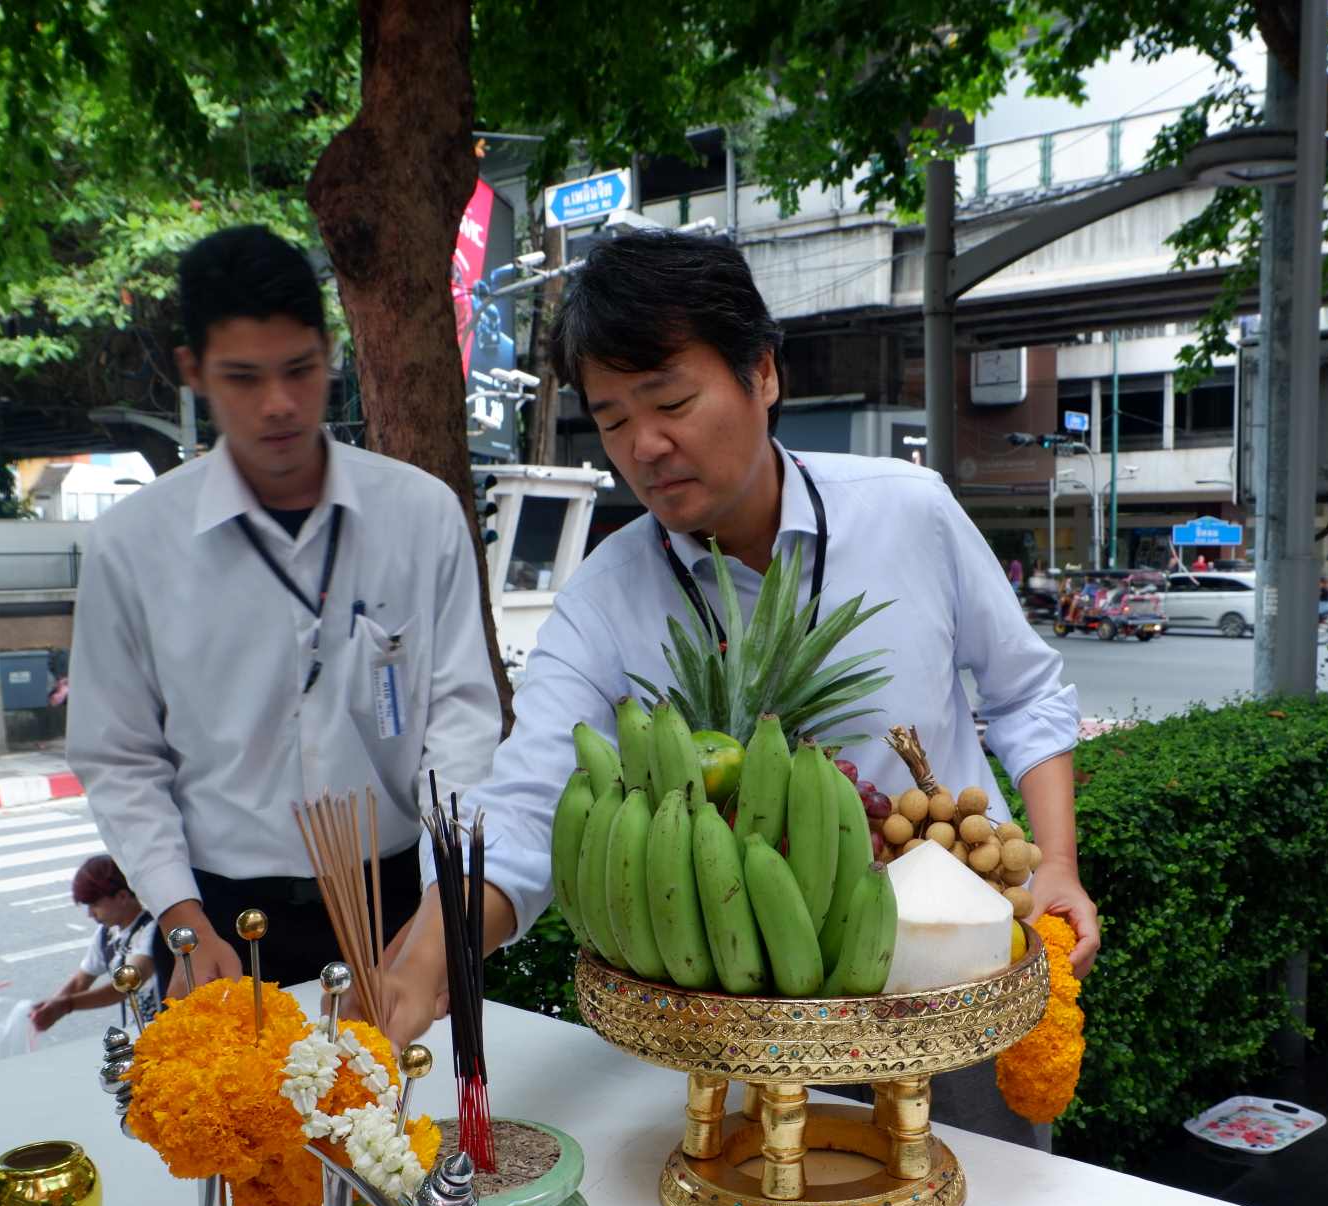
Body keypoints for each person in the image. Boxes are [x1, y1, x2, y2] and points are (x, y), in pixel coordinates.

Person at [376, 229, 1099, 1149]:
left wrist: (1058, 861)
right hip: (744, 1008)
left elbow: (1027, 693)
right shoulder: (606, 596)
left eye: (671, 400)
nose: (645, 445)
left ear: (762, 373)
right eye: (611, 419)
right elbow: (524, 810)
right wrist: (427, 953)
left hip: (954, 983)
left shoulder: (906, 511)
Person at [69, 225, 503, 998]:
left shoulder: (419, 514)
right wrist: (181, 921)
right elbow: (120, 756)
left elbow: (461, 718)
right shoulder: (132, 544)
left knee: (401, 1081)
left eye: (300, 370)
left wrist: (444, 909)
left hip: (394, 906)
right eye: (242, 377)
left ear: (330, 351)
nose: (278, 404)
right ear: (193, 371)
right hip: (214, 918)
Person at [32, 856, 158, 1031]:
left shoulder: (153, 930)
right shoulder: (106, 934)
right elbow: (80, 981)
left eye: (94, 905)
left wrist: (66, 1005)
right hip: (138, 1031)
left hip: (169, 1030)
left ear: (122, 896)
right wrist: (50, 1007)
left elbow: (127, 984)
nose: (90, 914)